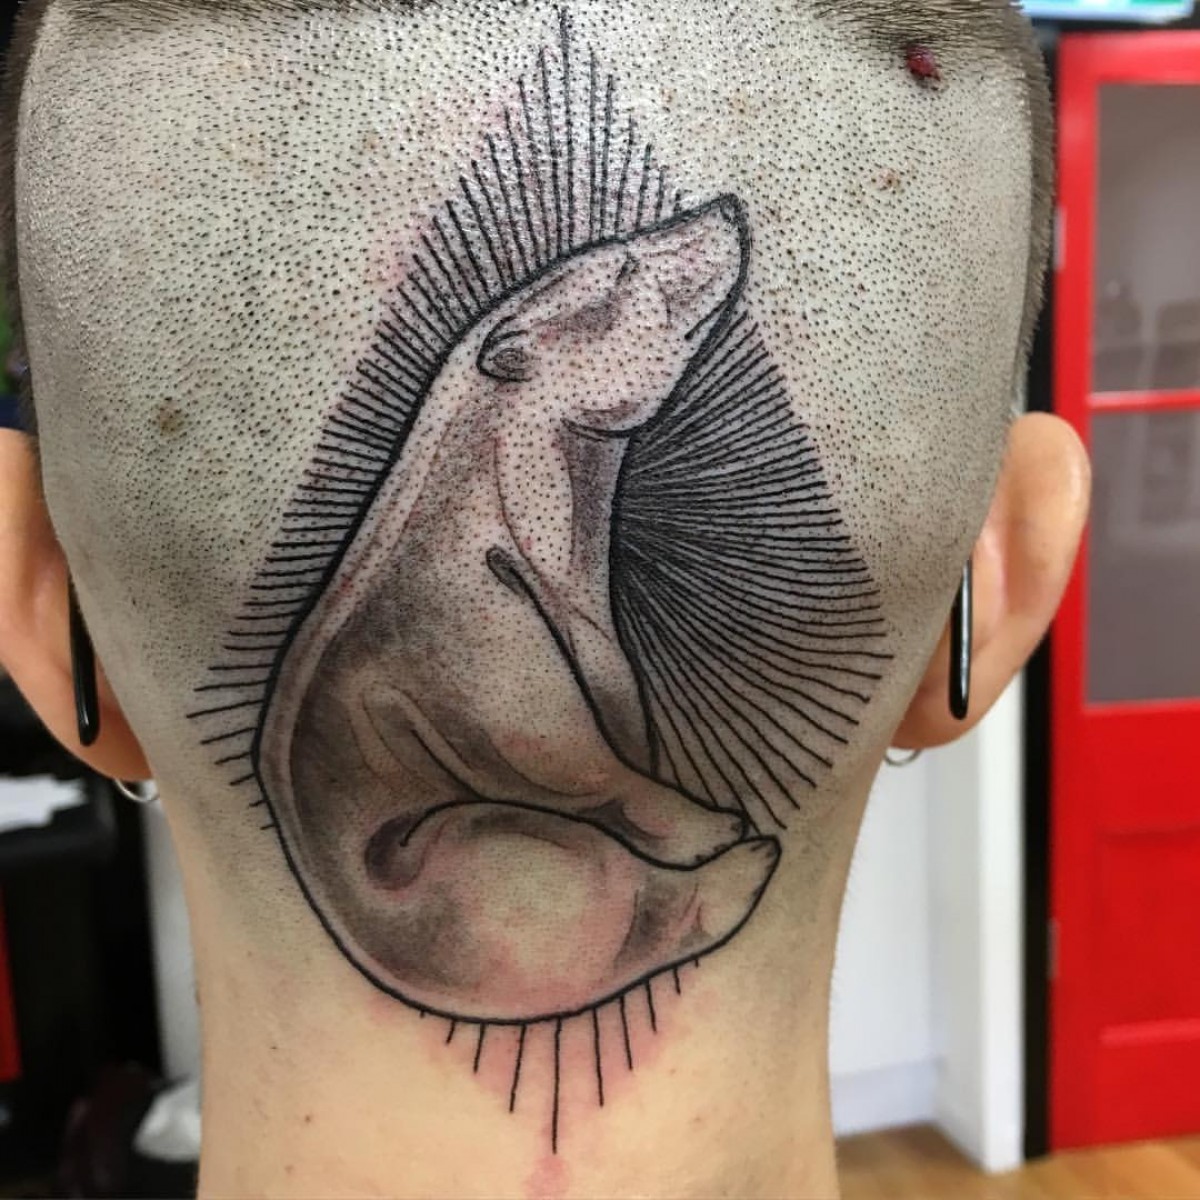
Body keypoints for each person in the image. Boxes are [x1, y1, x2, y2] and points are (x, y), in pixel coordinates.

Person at [0, 0, 1090, 1194]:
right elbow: (533, 730)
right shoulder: (468, 570)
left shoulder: (509, 516)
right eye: (617, 294)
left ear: (41, 618)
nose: (672, 286)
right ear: (999, 590)